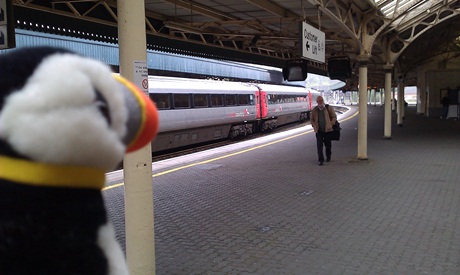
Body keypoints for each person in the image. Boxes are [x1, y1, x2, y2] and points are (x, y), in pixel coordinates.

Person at [310, 96, 337, 166]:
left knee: (328, 145)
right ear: (317, 102)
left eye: (321, 100)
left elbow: (334, 116)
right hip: (319, 131)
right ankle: (320, 160)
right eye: (319, 101)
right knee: (319, 145)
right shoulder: (315, 110)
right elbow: (311, 119)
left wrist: (331, 124)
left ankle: (328, 156)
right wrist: (314, 125)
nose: (321, 102)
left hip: (328, 130)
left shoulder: (328, 108)